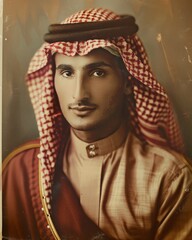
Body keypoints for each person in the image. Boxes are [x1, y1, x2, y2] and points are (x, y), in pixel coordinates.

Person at [2, 8, 192, 240]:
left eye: (98, 73)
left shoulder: (169, 178)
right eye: (67, 72)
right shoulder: (21, 169)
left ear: (128, 81)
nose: (79, 94)